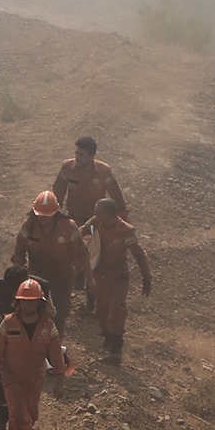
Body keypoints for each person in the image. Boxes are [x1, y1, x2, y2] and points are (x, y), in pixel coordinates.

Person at [0, 278, 71, 430]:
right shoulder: (7, 323)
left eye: (32, 300)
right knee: (18, 413)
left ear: (39, 302)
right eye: (24, 300)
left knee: (31, 414)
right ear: (18, 302)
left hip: (35, 377)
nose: (28, 304)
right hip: (11, 377)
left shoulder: (48, 327)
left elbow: (57, 357)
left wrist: (59, 383)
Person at [52, 137, 129, 312]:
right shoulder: (67, 168)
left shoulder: (104, 172)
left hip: (97, 223)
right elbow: (57, 195)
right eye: (76, 153)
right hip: (74, 221)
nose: (77, 158)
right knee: (63, 258)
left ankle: (91, 303)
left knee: (95, 263)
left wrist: (122, 228)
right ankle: (59, 300)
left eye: (82, 155)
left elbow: (118, 200)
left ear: (92, 156)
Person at [0, 264, 44, 430]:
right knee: (1, 379)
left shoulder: (38, 289)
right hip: (3, 337)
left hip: (27, 341)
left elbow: (49, 315)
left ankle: (19, 423)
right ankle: (2, 419)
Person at [85, 198, 151, 363]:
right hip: (100, 274)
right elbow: (80, 231)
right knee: (102, 309)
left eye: (98, 210)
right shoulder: (96, 222)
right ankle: (108, 339)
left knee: (116, 310)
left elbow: (139, 254)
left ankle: (116, 351)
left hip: (117, 276)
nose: (94, 213)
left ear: (108, 214)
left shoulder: (124, 231)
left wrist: (147, 277)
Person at [10, 190, 87, 328]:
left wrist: (75, 274)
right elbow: (19, 252)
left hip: (61, 280)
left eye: (47, 216)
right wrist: (18, 275)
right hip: (35, 278)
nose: (43, 219)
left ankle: (55, 345)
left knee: (58, 316)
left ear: (56, 212)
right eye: (40, 215)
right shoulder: (28, 226)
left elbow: (80, 254)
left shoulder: (69, 227)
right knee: (32, 315)